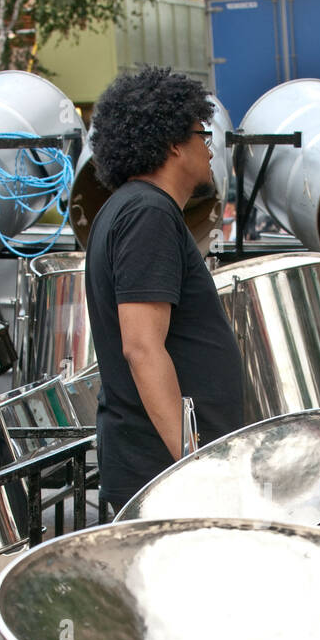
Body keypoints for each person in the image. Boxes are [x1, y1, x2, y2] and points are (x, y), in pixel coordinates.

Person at [85, 66, 244, 512]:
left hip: (162, 471)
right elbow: (142, 347)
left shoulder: (132, 209)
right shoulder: (146, 214)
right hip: (165, 478)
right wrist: (193, 465)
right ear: (174, 142)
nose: (209, 149)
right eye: (202, 134)